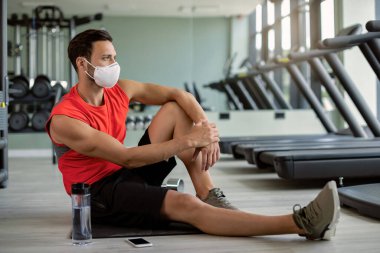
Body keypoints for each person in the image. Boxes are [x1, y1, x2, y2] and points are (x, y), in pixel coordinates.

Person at [46, 29, 340, 240]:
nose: (114, 65)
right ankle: (301, 223)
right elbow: (127, 157)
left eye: (114, 57)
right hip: (98, 195)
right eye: (107, 58)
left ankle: (209, 194)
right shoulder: (65, 119)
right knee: (185, 206)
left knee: (175, 108)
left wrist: (205, 130)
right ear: (83, 64)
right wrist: (190, 141)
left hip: (123, 174)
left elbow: (180, 94)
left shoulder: (121, 89)